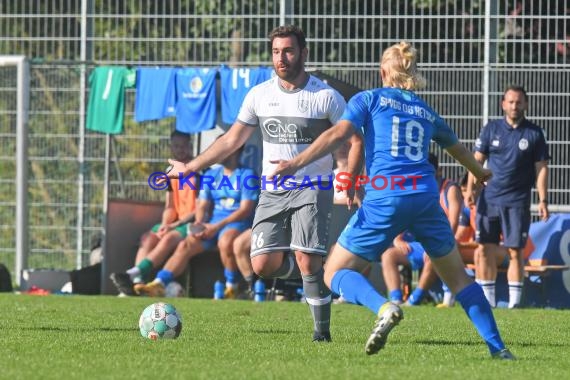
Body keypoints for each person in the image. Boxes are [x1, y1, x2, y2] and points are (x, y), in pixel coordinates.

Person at [270, 41, 514, 359]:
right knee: (458, 279)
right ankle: (499, 349)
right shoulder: (425, 110)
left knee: (332, 272)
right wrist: (480, 174)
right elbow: (459, 151)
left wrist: (293, 163)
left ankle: (384, 306)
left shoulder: (369, 99)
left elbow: (338, 135)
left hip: (386, 197)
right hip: (426, 199)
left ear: (383, 71)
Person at [164, 25, 358, 342]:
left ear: (304, 53)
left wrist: (350, 179)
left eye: (289, 50)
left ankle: (321, 333)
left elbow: (353, 141)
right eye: (276, 51)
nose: (282, 58)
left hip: (313, 187)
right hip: (272, 191)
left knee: (307, 257)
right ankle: (310, 275)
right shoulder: (260, 95)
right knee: (263, 266)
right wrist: (190, 166)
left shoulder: (325, 96)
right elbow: (230, 140)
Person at [136, 143, 258, 298]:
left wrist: (217, 226)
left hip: (236, 224)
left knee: (226, 241)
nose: (218, 153)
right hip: (211, 225)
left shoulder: (248, 175)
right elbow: (202, 204)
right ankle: (159, 283)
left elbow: (245, 210)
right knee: (185, 244)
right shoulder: (211, 175)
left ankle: (232, 287)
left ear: (235, 150)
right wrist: (199, 223)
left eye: (222, 149)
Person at [466, 85, 549, 309]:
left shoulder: (534, 133)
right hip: (489, 199)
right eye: (511, 102)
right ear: (503, 104)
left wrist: (543, 200)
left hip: (517, 201)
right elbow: (476, 160)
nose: (515, 106)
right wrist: (470, 189)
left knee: (515, 251)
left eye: (519, 102)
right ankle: (488, 302)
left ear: (526, 104)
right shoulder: (491, 129)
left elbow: (541, 168)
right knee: (485, 249)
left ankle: (514, 305)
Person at [110, 130, 198, 296]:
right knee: (148, 238)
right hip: (174, 223)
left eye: (184, 146)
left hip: (190, 224)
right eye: (177, 146)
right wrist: (165, 224)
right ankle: (137, 285)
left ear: (190, 146)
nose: (181, 150)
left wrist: (174, 226)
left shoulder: (198, 171)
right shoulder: (170, 171)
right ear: (171, 147)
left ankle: (134, 275)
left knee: (168, 239)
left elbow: (199, 210)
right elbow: (170, 206)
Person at [382, 153, 463, 306]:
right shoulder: (414, 187)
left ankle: (414, 300)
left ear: (438, 171)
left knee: (435, 253)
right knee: (389, 255)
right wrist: (397, 238)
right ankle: (396, 299)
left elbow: (453, 222)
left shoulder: (450, 189)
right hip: (418, 246)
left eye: (428, 171)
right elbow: (404, 215)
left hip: (441, 242)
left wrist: (437, 244)